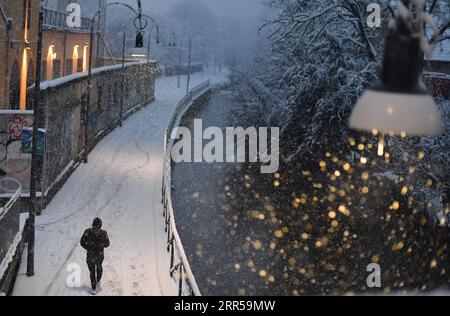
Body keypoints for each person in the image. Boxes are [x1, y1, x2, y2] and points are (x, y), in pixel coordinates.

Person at [80, 218, 110, 294]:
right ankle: (93, 287)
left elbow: (107, 244)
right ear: (93, 226)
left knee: (99, 268)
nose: (96, 229)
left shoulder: (104, 233)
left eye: (98, 227)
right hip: (90, 255)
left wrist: (101, 244)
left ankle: (98, 281)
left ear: (100, 227)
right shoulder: (87, 232)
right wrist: (88, 247)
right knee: (92, 271)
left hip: (99, 256)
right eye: (95, 227)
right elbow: (82, 242)